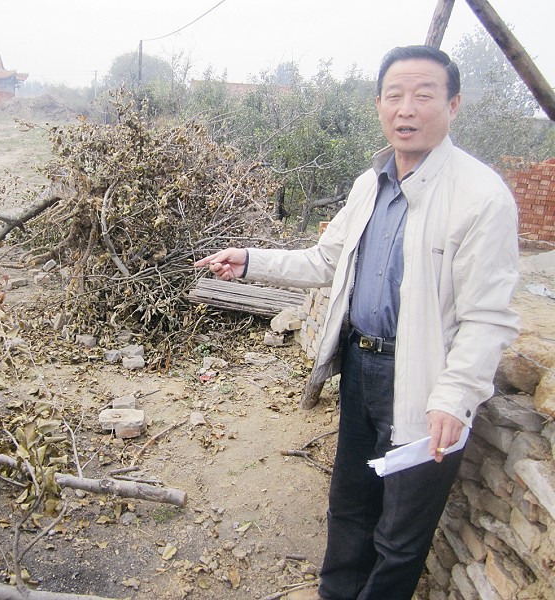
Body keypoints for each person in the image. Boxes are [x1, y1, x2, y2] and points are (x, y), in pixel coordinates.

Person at [194, 45, 520, 600]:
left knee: (399, 533)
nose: (407, 109)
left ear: (454, 104)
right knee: (349, 506)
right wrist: (249, 260)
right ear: (378, 105)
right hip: (361, 365)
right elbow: (326, 261)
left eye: (423, 95)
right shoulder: (371, 183)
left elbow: (487, 316)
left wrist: (455, 394)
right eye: (394, 95)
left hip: (421, 382)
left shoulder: (481, 197)